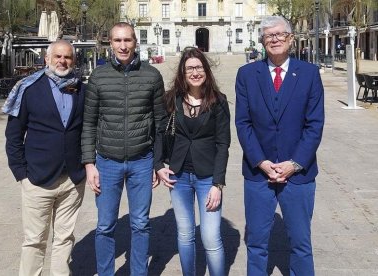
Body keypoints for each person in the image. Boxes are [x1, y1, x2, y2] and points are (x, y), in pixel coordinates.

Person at [235, 16, 324, 276]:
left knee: (300, 243)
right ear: (262, 41)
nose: (274, 39)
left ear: (290, 39)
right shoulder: (247, 74)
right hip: (257, 175)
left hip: (299, 175)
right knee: (256, 243)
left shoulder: (309, 74)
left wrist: (294, 164)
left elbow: (314, 125)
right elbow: (243, 123)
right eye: (268, 36)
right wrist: (261, 162)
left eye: (279, 35)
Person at [81, 22, 166, 275]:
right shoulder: (98, 76)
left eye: (127, 40)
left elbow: (160, 122)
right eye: (117, 41)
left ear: (135, 42)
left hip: (142, 161)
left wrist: (157, 163)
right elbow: (89, 122)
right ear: (110, 43)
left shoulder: (152, 75)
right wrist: (89, 164)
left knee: (140, 224)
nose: (123, 46)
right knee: (105, 225)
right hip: (107, 162)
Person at [3, 40, 86, 275]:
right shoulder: (28, 89)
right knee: (34, 240)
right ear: (47, 59)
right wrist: (21, 173)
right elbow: (13, 135)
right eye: (58, 57)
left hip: (72, 178)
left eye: (68, 57)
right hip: (37, 178)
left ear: (74, 60)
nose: (62, 61)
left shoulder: (81, 89)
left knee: (65, 238)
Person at [154, 47, 231, 276]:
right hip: (179, 177)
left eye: (199, 67)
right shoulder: (171, 100)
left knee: (210, 237)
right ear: (182, 73)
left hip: (208, 178)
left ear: (206, 70)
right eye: (190, 68)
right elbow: (159, 133)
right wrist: (158, 166)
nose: (195, 72)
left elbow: (222, 144)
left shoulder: (218, 101)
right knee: (185, 234)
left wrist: (218, 184)